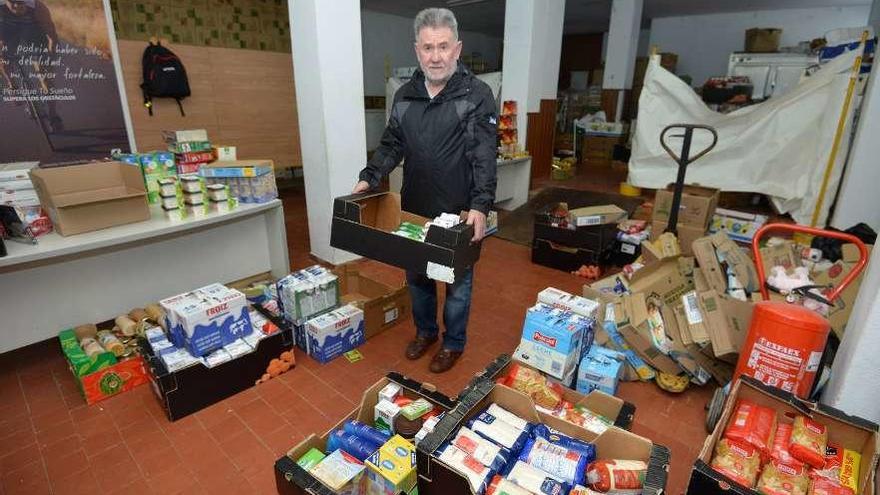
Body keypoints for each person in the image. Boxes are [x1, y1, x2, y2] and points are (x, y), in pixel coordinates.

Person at [354, 7, 497, 374]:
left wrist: (480, 205)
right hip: (415, 207)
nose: (436, 56)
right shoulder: (405, 95)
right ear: (417, 50)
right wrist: (369, 177)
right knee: (418, 278)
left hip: (459, 211)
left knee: (457, 284)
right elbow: (390, 145)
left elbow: (483, 155)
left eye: (443, 47)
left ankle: (453, 343)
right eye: (428, 47)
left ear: (457, 48)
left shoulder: (476, 95)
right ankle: (426, 332)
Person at [0, 0, 62, 130]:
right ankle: (13, 86)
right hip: (8, 33)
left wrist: (51, 54)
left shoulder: (38, 7)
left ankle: (53, 115)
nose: (17, 6)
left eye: (20, 2)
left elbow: (52, 36)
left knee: (46, 77)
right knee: (2, 55)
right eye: (13, 2)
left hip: (34, 35)